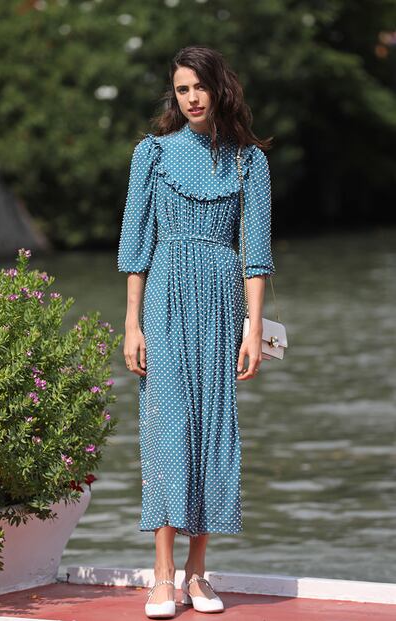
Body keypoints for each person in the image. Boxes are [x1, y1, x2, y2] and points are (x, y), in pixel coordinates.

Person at [117, 45, 275, 619]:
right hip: (162, 297)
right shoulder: (152, 154)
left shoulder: (246, 163)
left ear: (218, 87)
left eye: (199, 87)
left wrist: (253, 330)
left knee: (212, 429)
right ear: (174, 95)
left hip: (220, 303)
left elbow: (255, 256)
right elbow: (135, 246)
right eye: (181, 89)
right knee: (166, 429)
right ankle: (161, 576)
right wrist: (131, 323)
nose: (191, 98)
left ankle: (197, 572)